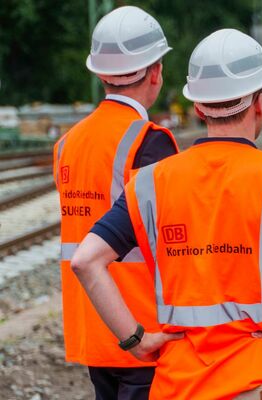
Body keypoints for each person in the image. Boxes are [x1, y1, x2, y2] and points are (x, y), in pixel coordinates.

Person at [69, 29, 262, 400]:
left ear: (198, 107)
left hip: (181, 386)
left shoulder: (149, 184)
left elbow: (86, 260)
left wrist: (136, 340)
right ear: (259, 102)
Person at [53, 6, 178, 400]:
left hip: (94, 327)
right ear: (155, 72)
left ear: (100, 73)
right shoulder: (150, 141)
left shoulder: (67, 143)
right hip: (142, 331)